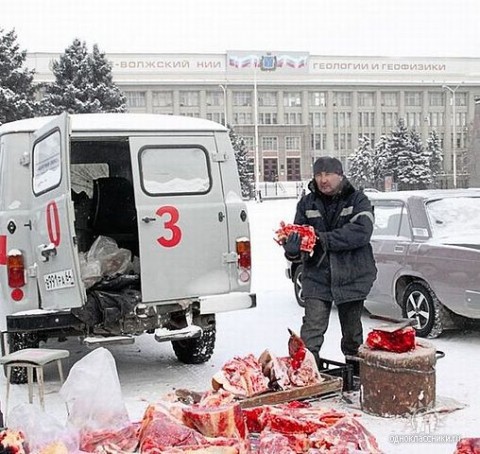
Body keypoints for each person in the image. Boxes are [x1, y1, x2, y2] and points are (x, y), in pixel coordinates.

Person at [283, 157, 377, 375]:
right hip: (317, 275)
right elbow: (298, 238)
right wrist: (292, 248)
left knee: (352, 333)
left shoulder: (358, 200)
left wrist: (322, 239)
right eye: (318, 175)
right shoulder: (307, 204)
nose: (323, 180)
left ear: (340, 175)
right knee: (311, 331)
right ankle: (307, 376)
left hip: (352, 274)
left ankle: (356, 374)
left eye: (328, 174)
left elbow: (361, 233)